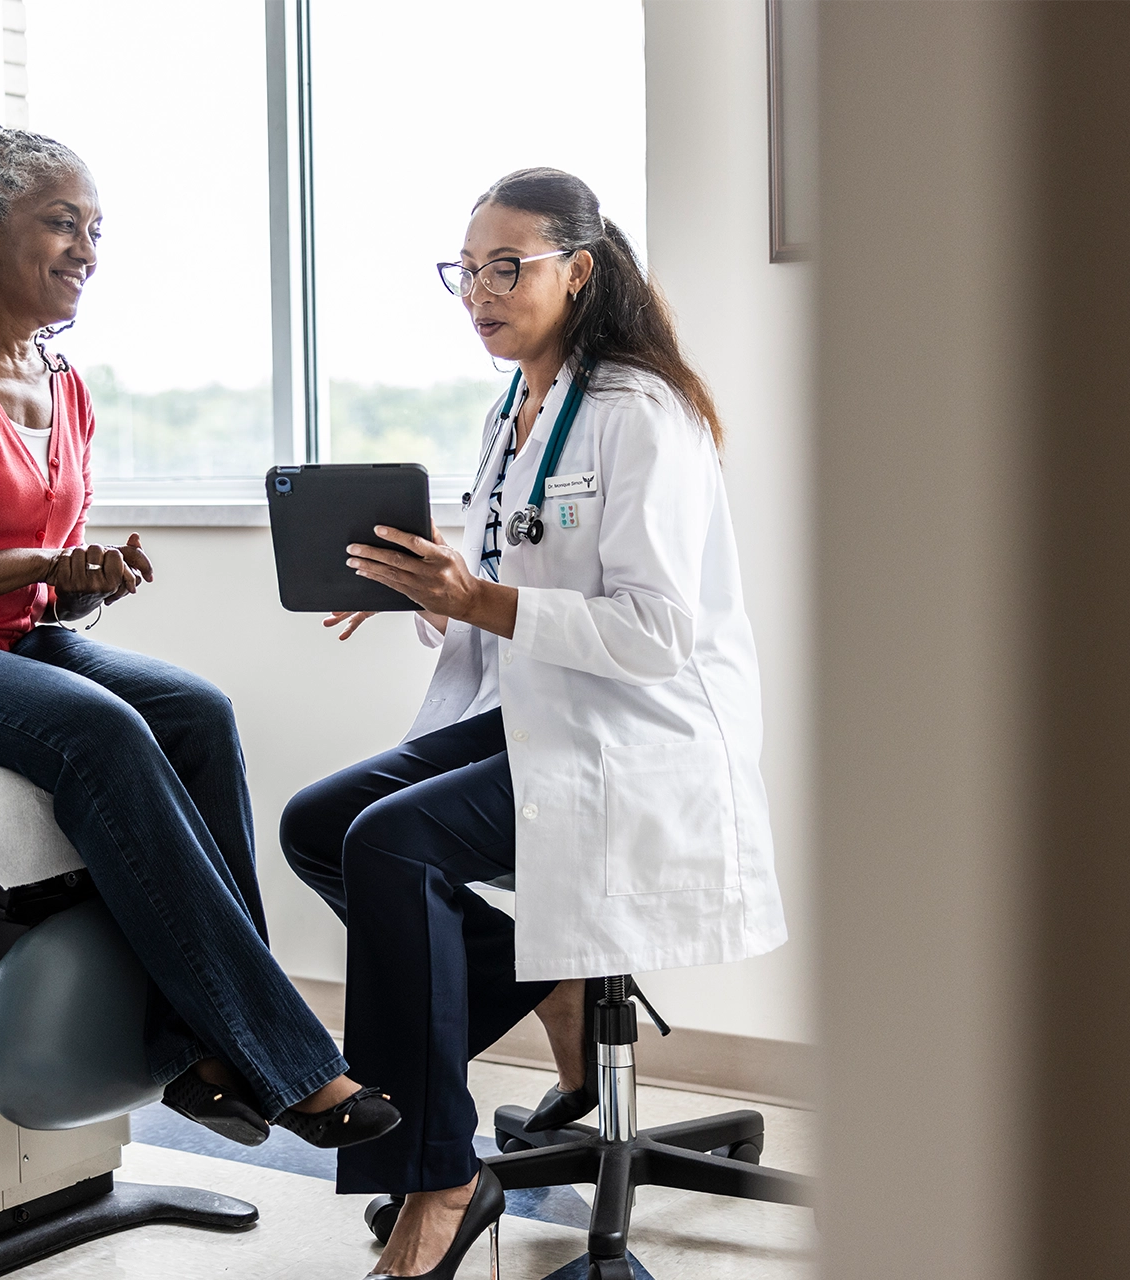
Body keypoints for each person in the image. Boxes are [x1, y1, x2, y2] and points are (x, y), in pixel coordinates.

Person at [0, 118, 398, 1152]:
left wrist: (84, 586)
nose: (86, 249)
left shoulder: (66, 387)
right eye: (60, 223)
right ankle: (286, 1059)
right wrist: (41, 569)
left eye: (96, 229)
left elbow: (48, 591)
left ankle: (209, 1052)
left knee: (197, 714)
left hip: (6, 642)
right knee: (99, 730)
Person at [280, 168, 788, 1278]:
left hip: (641, 733)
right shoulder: (517, 406)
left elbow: (657, 633)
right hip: (536, 706)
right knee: (321, 823)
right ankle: (543, 972)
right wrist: (425, 592)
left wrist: (479, 600)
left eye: (508, 266)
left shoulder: (640, 414)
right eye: (465, 270)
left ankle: (437, 1176)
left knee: (393, 841)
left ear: (582, 269)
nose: (480, 291)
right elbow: (499, 581)